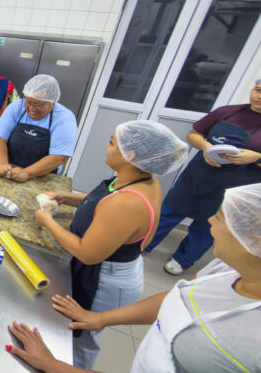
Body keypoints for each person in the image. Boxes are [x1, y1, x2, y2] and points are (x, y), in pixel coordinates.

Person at [6, 182, 261, 373]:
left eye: (220, 217)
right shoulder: (226, 269)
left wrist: (55, 366)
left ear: (256, 243)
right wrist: (99, 318)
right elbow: (182, 295)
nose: (209, 221)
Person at [35, 120, 187, 369]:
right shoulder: (137, 179)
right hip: (104, 267)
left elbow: (87, 252)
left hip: (105, 279)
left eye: (111, 142)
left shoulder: (128, 203)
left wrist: (47, 220)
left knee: (82, 337)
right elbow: (102, 199)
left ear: (131, 155)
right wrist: (67, 198)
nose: (106, 146)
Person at [145, 71, 261, 275]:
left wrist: (258, 158)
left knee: (208, 226)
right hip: (198, 176)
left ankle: (184, 258)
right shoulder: (227, 111)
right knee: (168, 212)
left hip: (237, 185)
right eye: (259, 90)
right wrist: (206, 147)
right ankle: (145, 243)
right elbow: (194, 134)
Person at [0, 74, 78, 181]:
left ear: (53, 100)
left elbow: (60, 157)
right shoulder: (16, 108)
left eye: (39, 105)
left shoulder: (64, 118)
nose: (32, 108)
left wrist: (27, 173)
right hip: (10, 171)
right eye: (28, 102)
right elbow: (0, 139)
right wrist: (2, 165)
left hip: (43, 177)